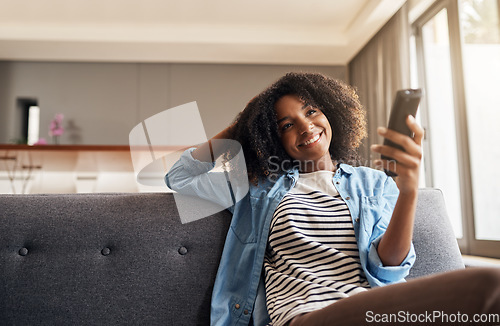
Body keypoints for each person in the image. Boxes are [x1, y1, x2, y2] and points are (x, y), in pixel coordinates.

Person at [165, 72, 500, 326]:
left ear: (332, 113)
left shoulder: (373, 183)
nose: (306, 126)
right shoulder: (255, 187)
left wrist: (408, 190)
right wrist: (243, 125)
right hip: (304, 315)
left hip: (369, 311)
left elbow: (387, 270)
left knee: (488, 291)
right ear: (272, 138)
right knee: (488, 285)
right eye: (285, 124)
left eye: (311, 111)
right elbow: (179, 176)